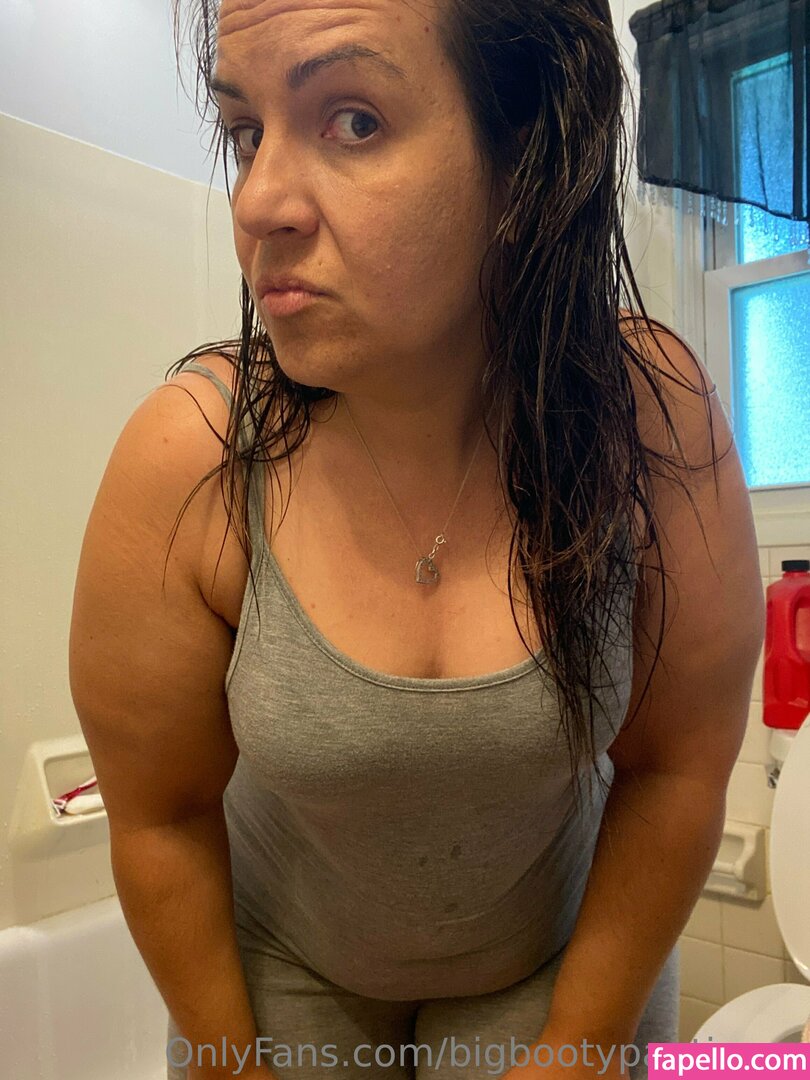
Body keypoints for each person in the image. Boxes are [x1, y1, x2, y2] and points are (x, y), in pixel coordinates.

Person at [68, 1, 764, 1078]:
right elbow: (162, 816)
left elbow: (676, 770)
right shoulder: (191, 459)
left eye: (353, 121)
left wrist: (575, 1054)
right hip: (280, 962)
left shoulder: (648, 418)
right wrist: (231, 1064)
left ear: (527, 152)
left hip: (557, 961)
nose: (257, 202)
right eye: (246, 131)